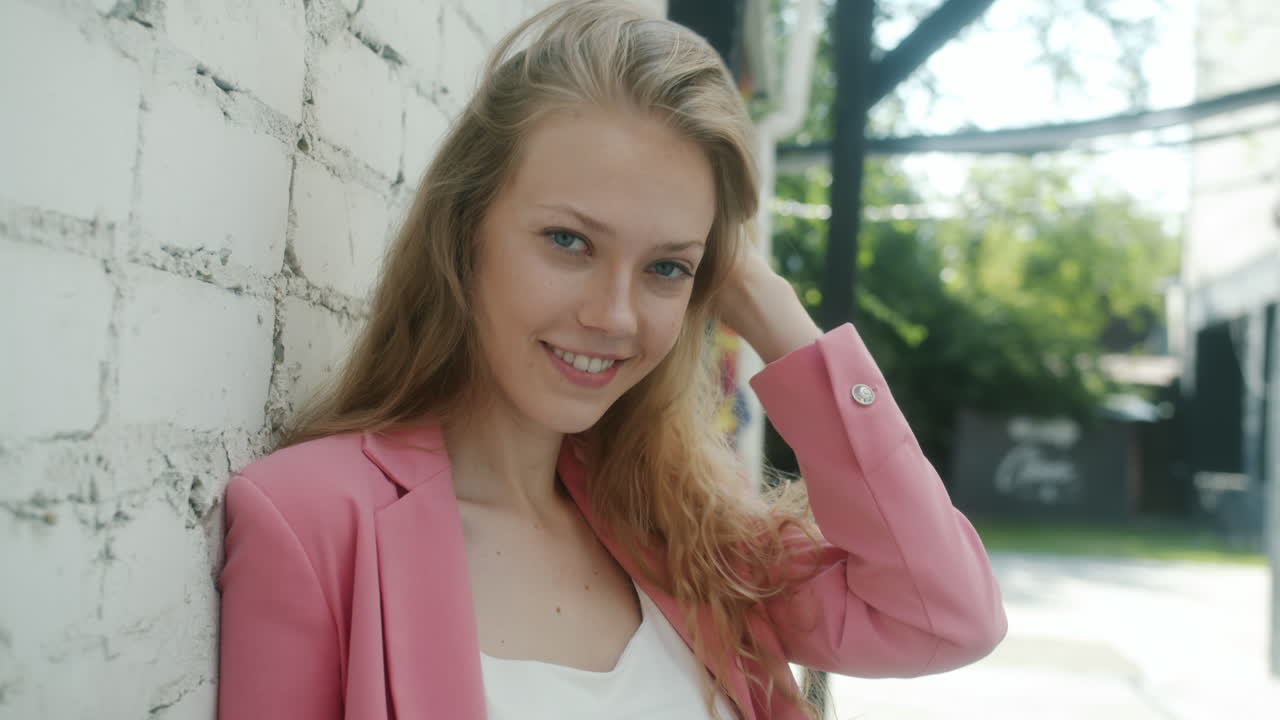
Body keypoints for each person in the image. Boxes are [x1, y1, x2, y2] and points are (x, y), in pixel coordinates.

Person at [215, 1, 1007, 718]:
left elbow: (944, 617)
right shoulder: (314, 523)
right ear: (465, 231)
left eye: (667, 267)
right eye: (569, 241)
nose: (614, 316)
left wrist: (777, 316)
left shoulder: (684, 534)